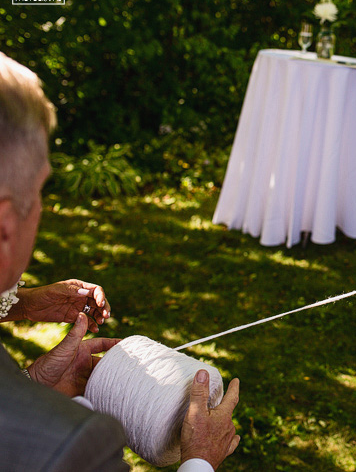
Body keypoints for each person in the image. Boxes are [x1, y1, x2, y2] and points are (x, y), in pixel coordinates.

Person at [0, 51, 241, 471]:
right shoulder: (68, 447)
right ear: (5, 227)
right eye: (41, 192)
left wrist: (32, 377)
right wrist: (200, 459)